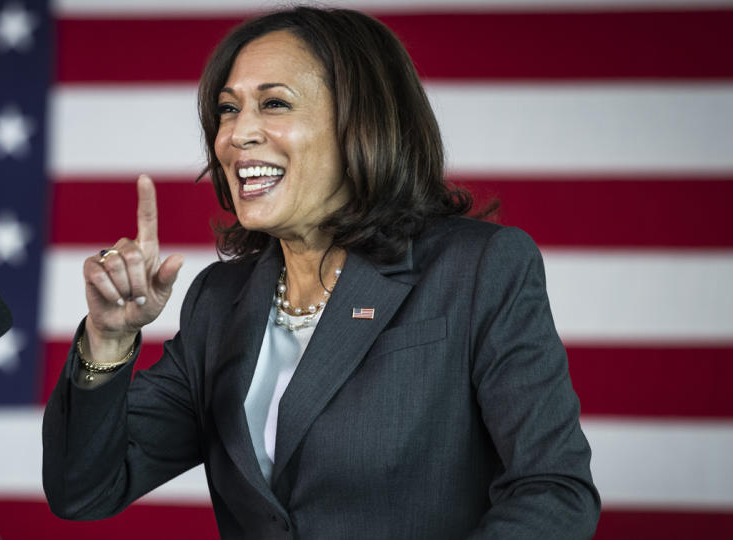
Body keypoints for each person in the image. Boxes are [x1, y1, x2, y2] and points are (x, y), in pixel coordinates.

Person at [43, 7, 600, 539]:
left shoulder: (476, 269)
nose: (237, 135)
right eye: (229, 109)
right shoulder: (218, 301)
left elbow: (553, 490)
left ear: (362, 124)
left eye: (275, 104)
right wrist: (110, 340)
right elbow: (84, 490)